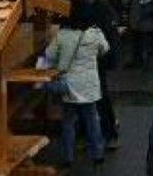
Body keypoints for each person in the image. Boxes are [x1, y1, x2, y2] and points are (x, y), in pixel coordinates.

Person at [46, 10, 111, 167]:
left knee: (68, 121)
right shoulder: (95, 34)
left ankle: (68, 157)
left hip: (70, 84)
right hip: (89, 84)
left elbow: (49, 55)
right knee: (92, 119)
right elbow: (105, 49)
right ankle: (98, 154)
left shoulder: (62, 35)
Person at [72, 0, 122, 148]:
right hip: (101, 59)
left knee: (91, 97)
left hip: (90, 61)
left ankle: (91, 133)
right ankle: (108, 132)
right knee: (101, 96)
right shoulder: (104, 9)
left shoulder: (85, 11)